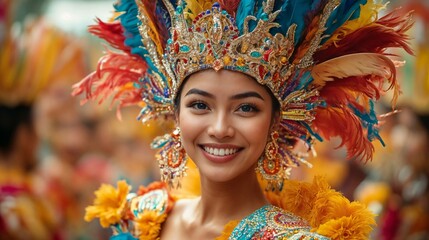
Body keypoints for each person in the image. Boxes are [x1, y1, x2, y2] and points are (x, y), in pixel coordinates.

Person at [74, 0, 413, 239]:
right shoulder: (138, 218)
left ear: (276, 121)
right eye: (200, 106)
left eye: (246, 108)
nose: (220, 128)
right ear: (174, 112)